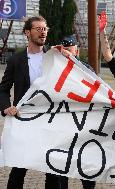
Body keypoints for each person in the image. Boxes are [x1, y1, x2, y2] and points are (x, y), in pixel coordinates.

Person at [0, 16, 61, 189]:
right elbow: (2, 89)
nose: (43, 32)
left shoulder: (55, 57)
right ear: (27, 32)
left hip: (51, 121)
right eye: (38, 29)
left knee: (53, 169)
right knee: (19, 168)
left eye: (45, 29)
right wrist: (6, 107)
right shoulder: (16, 60)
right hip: (25, 120)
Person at [56, 35, 96, 189]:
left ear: (77, 51)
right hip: (62, 125)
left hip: (82, 125)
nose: (66, 53)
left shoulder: (85, 68)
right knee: (61, 168)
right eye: (64, 50)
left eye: (70, 50)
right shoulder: (55, 69)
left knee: (85, 166)